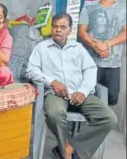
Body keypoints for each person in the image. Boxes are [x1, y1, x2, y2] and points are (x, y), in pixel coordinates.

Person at [26, 13, 117, 159]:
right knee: (54, 114)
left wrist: (83, 91)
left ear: (69, 30)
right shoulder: (41, 48)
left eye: (63, 27)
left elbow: (90, 69)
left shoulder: (78, 49)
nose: (58, 30)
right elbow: (31, 70)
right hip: (55, 94)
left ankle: (71, 148)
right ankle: (66, 151)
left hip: (79, 93)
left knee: (109, 118)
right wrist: (52, 82)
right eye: (55, 26)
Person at [78, 0, 126, 106]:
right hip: (90, 63)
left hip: (113, 64)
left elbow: (125, 32)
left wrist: (106, 44)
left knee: (110, 100)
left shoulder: (123, 9)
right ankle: (82, 127)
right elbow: (82, 31)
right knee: (86, 97)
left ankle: (101, 125)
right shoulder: (88, 8)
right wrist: (96, 46)